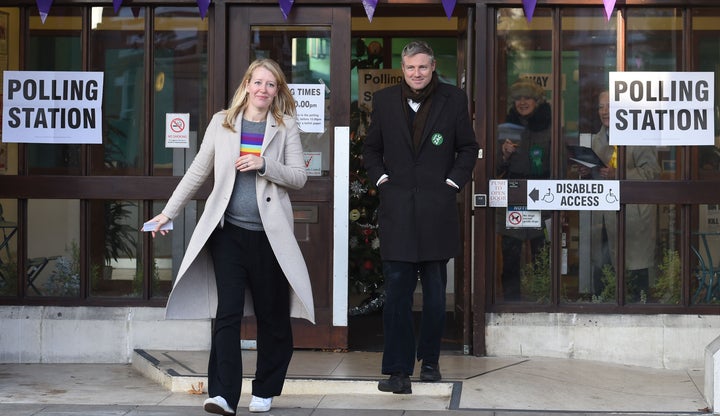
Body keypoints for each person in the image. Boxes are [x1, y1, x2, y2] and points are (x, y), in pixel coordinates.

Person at [145, 58, 314, 415]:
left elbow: (299, 177)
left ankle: (265, 390)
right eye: (258, 82)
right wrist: (167, 212)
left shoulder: (286, 127)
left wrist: (264, 165)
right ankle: (222, 394)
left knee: (273, 317)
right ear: (247, 84)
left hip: (270, 238)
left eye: (272, 85)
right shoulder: (222, 124)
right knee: (227, 314)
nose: (264, 90)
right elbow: (196, 173)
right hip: (229, 235)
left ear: (278, 91)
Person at [362, 40, 478, 394]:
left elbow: (468, 147)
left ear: (432, 68)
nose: (417, 73)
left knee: (434, 294)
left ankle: (430, 363)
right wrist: (381, 178)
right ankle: (397, 371)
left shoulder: (453, 99)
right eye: (411, 67)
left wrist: (452, 183)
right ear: (402, 68)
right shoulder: (383, 102)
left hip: (437, 210)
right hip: (397, 211)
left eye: (423, 67)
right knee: (396, 294)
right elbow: (371, 147)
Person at [586, 90, 660, 302]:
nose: (604, 111)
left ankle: (639, 310)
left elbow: (653, 172)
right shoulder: (598, 139)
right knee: (604, 267)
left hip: (632, 215)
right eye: (601, 106)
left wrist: (619, 174)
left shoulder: (638, 135)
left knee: (635, 269)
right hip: (603, 215)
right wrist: (586, 171)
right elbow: (598, 173)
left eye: (609, 105)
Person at [495, 79, 552, 301]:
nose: (522, 102)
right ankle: (510, 303)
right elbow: (493, 169)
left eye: (527, 98)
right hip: (513, 198)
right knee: (510, 256)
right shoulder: (504, 129)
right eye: (518, 98)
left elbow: (559, 168)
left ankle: (541, 301)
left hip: (543, 199)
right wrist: (504, 155)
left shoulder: (550, 128)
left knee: (541, 256)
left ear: (537, 101)